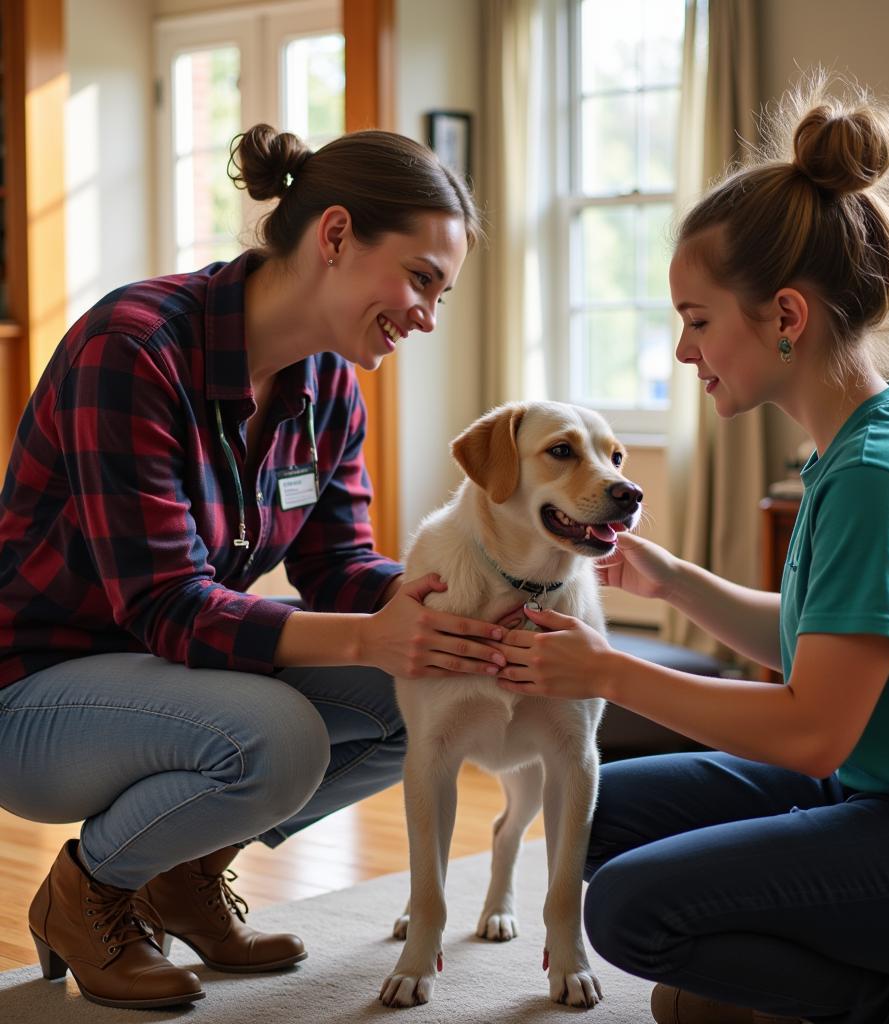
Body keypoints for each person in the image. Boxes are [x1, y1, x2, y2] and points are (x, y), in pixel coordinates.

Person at [491, 75, 889, 1024]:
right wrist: (674, 579)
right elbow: (827, 640)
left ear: (784, 316)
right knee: (595, 815)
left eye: (698, 321)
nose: (687, 352)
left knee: (624, 906)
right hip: (887, 785)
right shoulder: (859, 441)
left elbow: (812, 726)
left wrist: (606, 670)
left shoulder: (879, 478)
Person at [0, 124, 513, 1010]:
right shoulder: (134, 347)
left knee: (428, 694)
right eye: (422, 279)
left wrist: (454, 611)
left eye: (443, 293)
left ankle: (183, 874)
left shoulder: (330, 390)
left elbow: (341, 565)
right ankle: (87, 895)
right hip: (35, 696)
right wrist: (373, 640)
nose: (429, 315)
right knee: (278, 736)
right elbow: (168, 606)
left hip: (163, 680)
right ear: (337, 235)